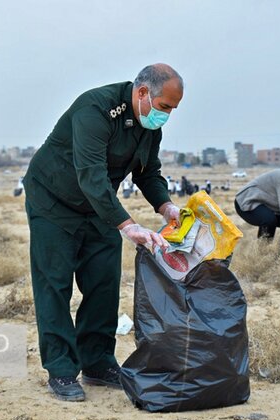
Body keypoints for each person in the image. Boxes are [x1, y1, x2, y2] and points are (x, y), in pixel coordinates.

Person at [23, 64, 183, 402]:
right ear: (142, 93)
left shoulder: (149, 126)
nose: (166, 116)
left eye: (172, 109)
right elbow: (91, 174)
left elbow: (148, 172)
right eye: (165, 107)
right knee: (54, 283)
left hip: (98, 205)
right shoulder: (94, 109)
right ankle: (62, 370)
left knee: (104, 282)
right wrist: (127, 225)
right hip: (54, 201)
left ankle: (97, 363)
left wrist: (165, 207)